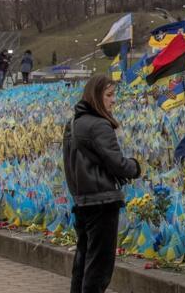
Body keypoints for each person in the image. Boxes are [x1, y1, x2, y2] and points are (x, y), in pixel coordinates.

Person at [63, 74, 142, 293]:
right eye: (109, 95)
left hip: (82, 201)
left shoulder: (73, 124)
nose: (113, 100)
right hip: (102, 201)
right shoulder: (99, 125)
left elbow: (69, 166)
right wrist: (135, 166)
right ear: (96, 97)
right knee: (99, 267)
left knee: (83, 263)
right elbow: (117, 163)